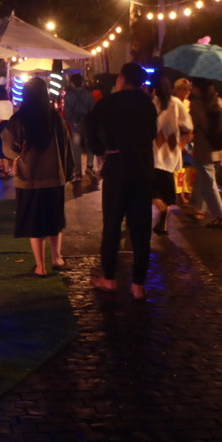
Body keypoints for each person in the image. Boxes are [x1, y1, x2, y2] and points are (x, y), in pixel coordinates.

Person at [85, 62, 158, 299]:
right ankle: (138, 284)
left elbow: (90, 124)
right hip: (143, 168)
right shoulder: (148, 105)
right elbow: (152, 133)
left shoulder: (110, 103)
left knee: (113, 225)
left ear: (122, 79)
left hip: (118, 167)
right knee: (141, 227)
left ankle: (109, 278)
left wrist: (100, 148)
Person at [2, 76, 73, 277]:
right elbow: (66, 148)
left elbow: (9, 147)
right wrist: (67, 172)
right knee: (54, 220)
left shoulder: (19, 119)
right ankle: (57, 258)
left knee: (35, 224)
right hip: (53, 177)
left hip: (28, 179)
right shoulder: (55, 118)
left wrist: (16, 154)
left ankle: (40, 267)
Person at [186, 78, 222, 228]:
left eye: (193, 86)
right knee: (207, 181)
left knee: (209, 183)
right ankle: (200, 208)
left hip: (204, 149)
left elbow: (192, 125)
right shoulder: (218, 101)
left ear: (199, 89)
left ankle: (221, 216)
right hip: (219, 148)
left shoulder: (197, 104)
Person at [151, 75, 193, 235]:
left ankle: (160, 209)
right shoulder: (176, 104)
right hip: (170, 152)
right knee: (167, 189)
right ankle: (164, 221)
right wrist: (181, 144)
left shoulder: (151, 103)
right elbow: (188, 127)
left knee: (151, 189)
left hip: (152, 153)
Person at [63, 73, 96, 180]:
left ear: (72, 83)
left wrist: (71, 121)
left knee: (76, 148)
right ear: (82, 82)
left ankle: (77, 172)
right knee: (89, 144)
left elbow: (66, 114)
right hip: (87, 122)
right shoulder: (88, 94)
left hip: (75, 123)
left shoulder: (68, 96)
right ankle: (89, 166)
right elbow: (93, 110)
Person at [0, 78, 15, 178]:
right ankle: (3, 168)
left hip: (1, 125)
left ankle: (4, 170)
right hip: (10, 126)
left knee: (0, 147)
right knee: (6, 146)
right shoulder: (9, 102)